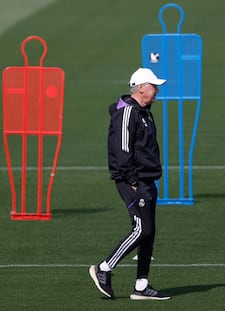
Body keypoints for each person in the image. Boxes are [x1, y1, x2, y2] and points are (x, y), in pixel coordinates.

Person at [89, 68, 171, 300]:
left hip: (146, 179)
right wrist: (132, 180)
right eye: (154, 86)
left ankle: (141, 286)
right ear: (141, 88)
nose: (157, 90)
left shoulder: (145, 112)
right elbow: (122, 149)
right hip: (132, 181)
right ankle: (103, 268)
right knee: (141, 229)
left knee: (149, 233)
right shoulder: (127, 113)